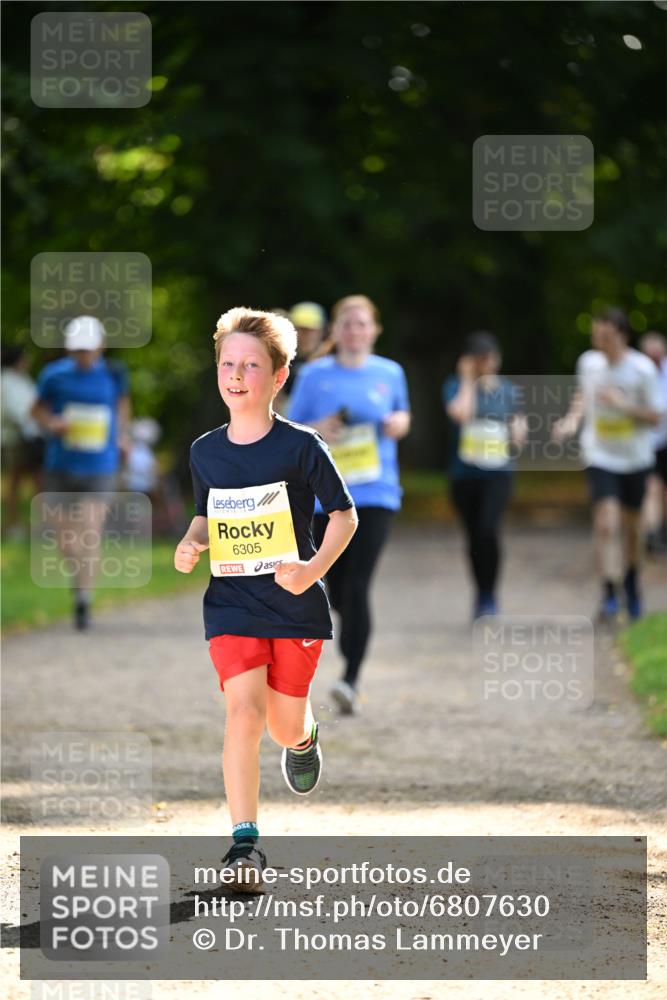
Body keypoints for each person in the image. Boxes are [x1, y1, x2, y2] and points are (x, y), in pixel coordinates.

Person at [174, 307, 357, 889]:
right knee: (242, 712)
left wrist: (311, 570)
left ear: (278, 377)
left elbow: (344, 517)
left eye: (251, 365)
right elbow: (206, 517)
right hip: (230, 604)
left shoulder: (301, 447)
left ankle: (304, 737)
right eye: (228, 363)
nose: (236, 374)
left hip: (293, 602)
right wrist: (190, 541)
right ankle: (244, 845)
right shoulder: (205, 451)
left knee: (280, 727)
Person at [288, 294, 411, 715]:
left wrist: (399, 424)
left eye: (362, 324)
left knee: (358, 584)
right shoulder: (314, 375)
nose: (354, 331)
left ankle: (350, 679)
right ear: (334, 331)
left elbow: (402, 415)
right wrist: (318, 429)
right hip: (325, 500)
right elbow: (287, 428)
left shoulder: (390, 373)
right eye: (347, 324)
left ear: (374, 330)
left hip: (376, 494)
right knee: (334, 588)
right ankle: (348, 627)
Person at [556, 308, 663, 621]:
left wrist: (623, 406)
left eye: (604, 336)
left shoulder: (642, 369)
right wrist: (570, 422)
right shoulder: (589, 363)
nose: (598, 341)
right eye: (595, 335)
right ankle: (608, 592)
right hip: (599, 455)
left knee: (632, 529)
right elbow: (582, 396)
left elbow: (656, 415)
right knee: (605, 523)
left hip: (635, 458)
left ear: (621, 336)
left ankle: (631, 585)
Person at [30, 316, 130, 629]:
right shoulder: (54, 375)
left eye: (88, 349)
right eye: (77, 350)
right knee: (65, 539)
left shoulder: (114, 374)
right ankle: (80, 577)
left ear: (100, 346)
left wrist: (123, 435)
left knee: (89, 531)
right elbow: (36, 410)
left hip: (100, 466)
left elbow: (123, 407)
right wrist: (52, 423)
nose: (83, 355)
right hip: (60, 465)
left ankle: (84, 599)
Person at [443, 331, 527, 620]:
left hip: (498, 473)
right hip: (465, 474)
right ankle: (481, 593)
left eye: (490, 356)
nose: (486, 362)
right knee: (473, 536)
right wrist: (467, 379)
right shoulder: (456, 385)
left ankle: (490, 594)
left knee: (487, 529)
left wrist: (518, 432)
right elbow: (461, 415)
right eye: (479, 357)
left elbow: (519, 429)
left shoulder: (508, 390)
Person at [1, 345, 44, 538]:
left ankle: (37, 524)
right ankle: (13, 524)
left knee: (37, 481)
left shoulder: (24, 380)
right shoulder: (6, 381)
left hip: (33, 436)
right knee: (16, 481)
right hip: (16, 438)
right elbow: (15, 410)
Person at [639, 331, 667, 555]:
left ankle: (660, 529)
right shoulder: (640, 372)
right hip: (649, 441)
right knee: (653, 487)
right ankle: (652, 532)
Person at [279, 301, 328, 401]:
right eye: (301, 329)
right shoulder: (281, 360)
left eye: (311, 330)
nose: (306, 335)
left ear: (322, 331)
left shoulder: (330, 362)